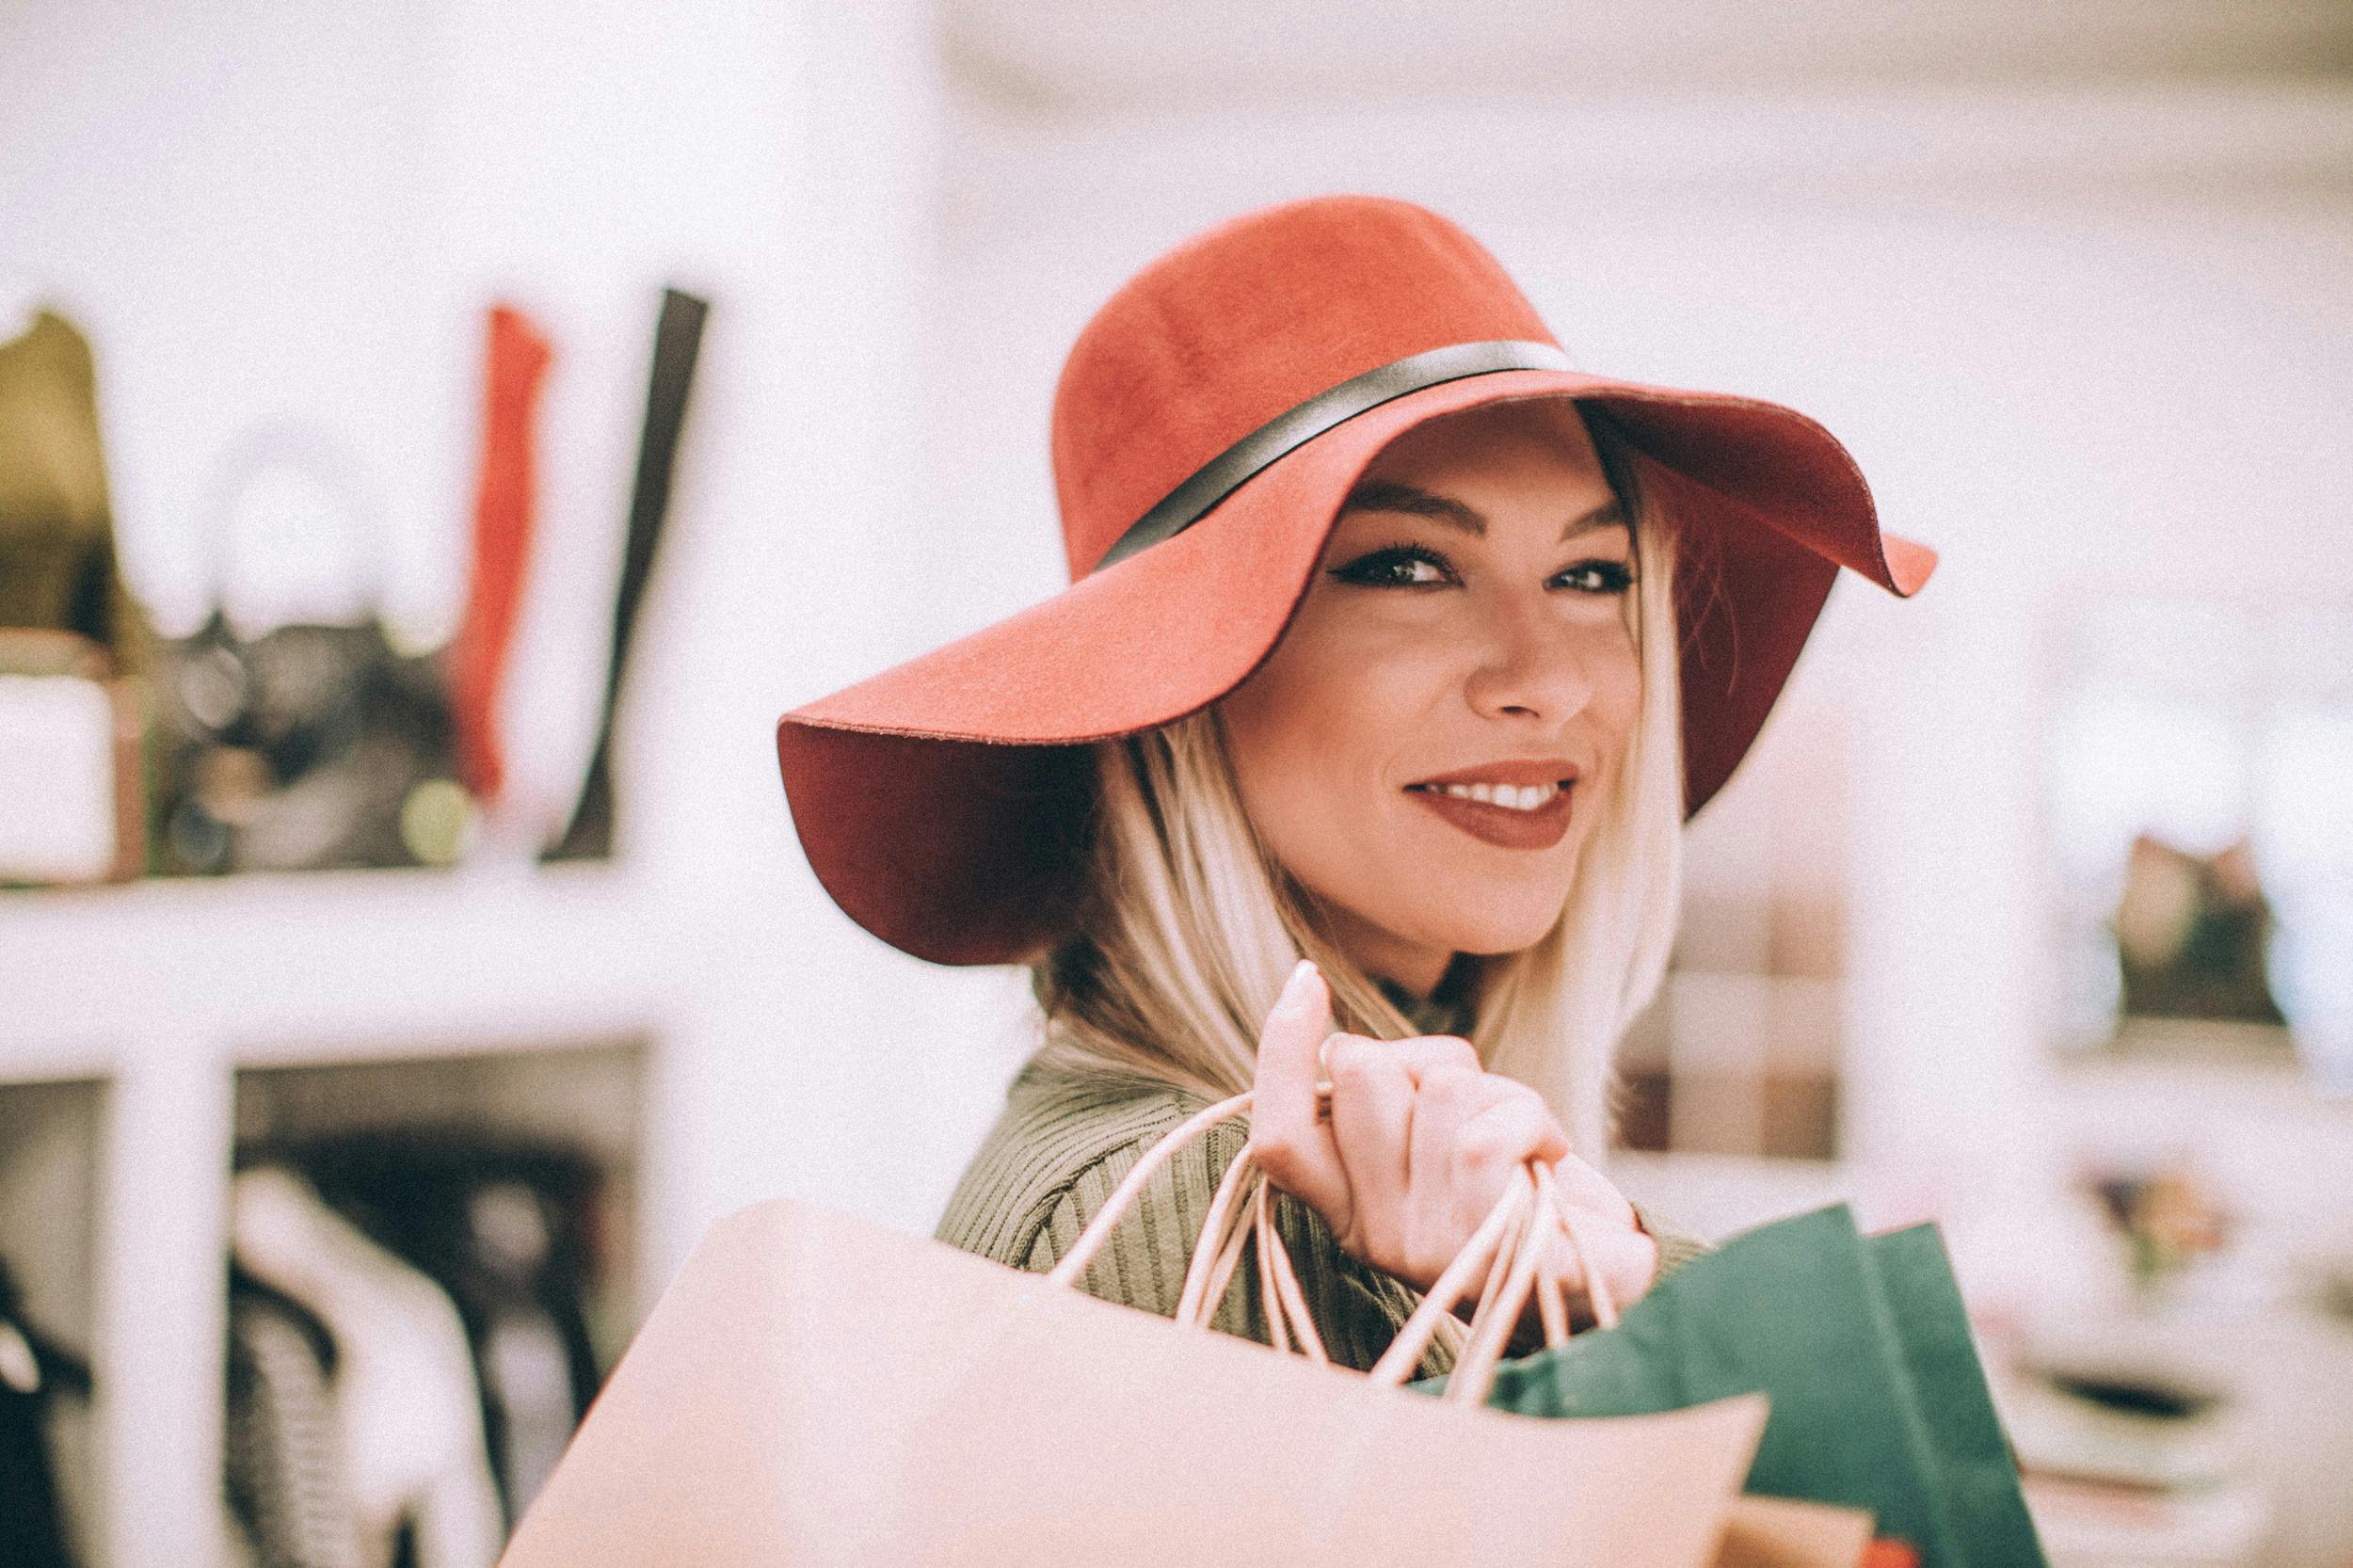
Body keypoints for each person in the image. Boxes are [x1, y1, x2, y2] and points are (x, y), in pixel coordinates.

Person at [774, 194, 1934, 1379]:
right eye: (1408, 566)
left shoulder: (1393, 1174)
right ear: (1180, 689)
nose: (1548, 683)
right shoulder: (1179, 1226)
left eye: (1591, 573)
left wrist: (1601, 1285)